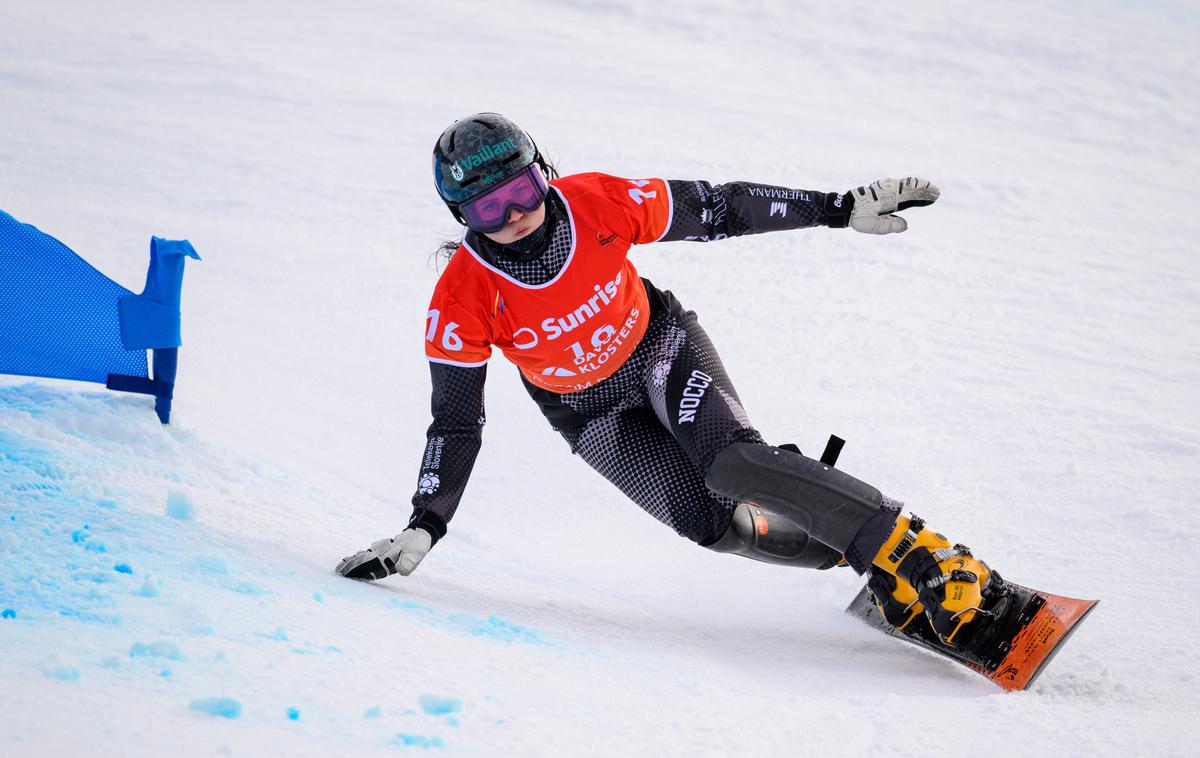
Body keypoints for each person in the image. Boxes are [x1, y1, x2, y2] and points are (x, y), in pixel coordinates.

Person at [337, 112, 996, 652]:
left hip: (659, 347)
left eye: (522, 192)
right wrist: (427, 522)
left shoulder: (595, 202)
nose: (514, 215)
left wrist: (836, 209)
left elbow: (717, 208)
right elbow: (455, 422)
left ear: (545, 175)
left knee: (733, 464)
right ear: (460, 218)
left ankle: (923, 560)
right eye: (488, 209)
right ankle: (860, 555)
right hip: (590, 413)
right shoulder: (461, 299)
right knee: (712, 523)